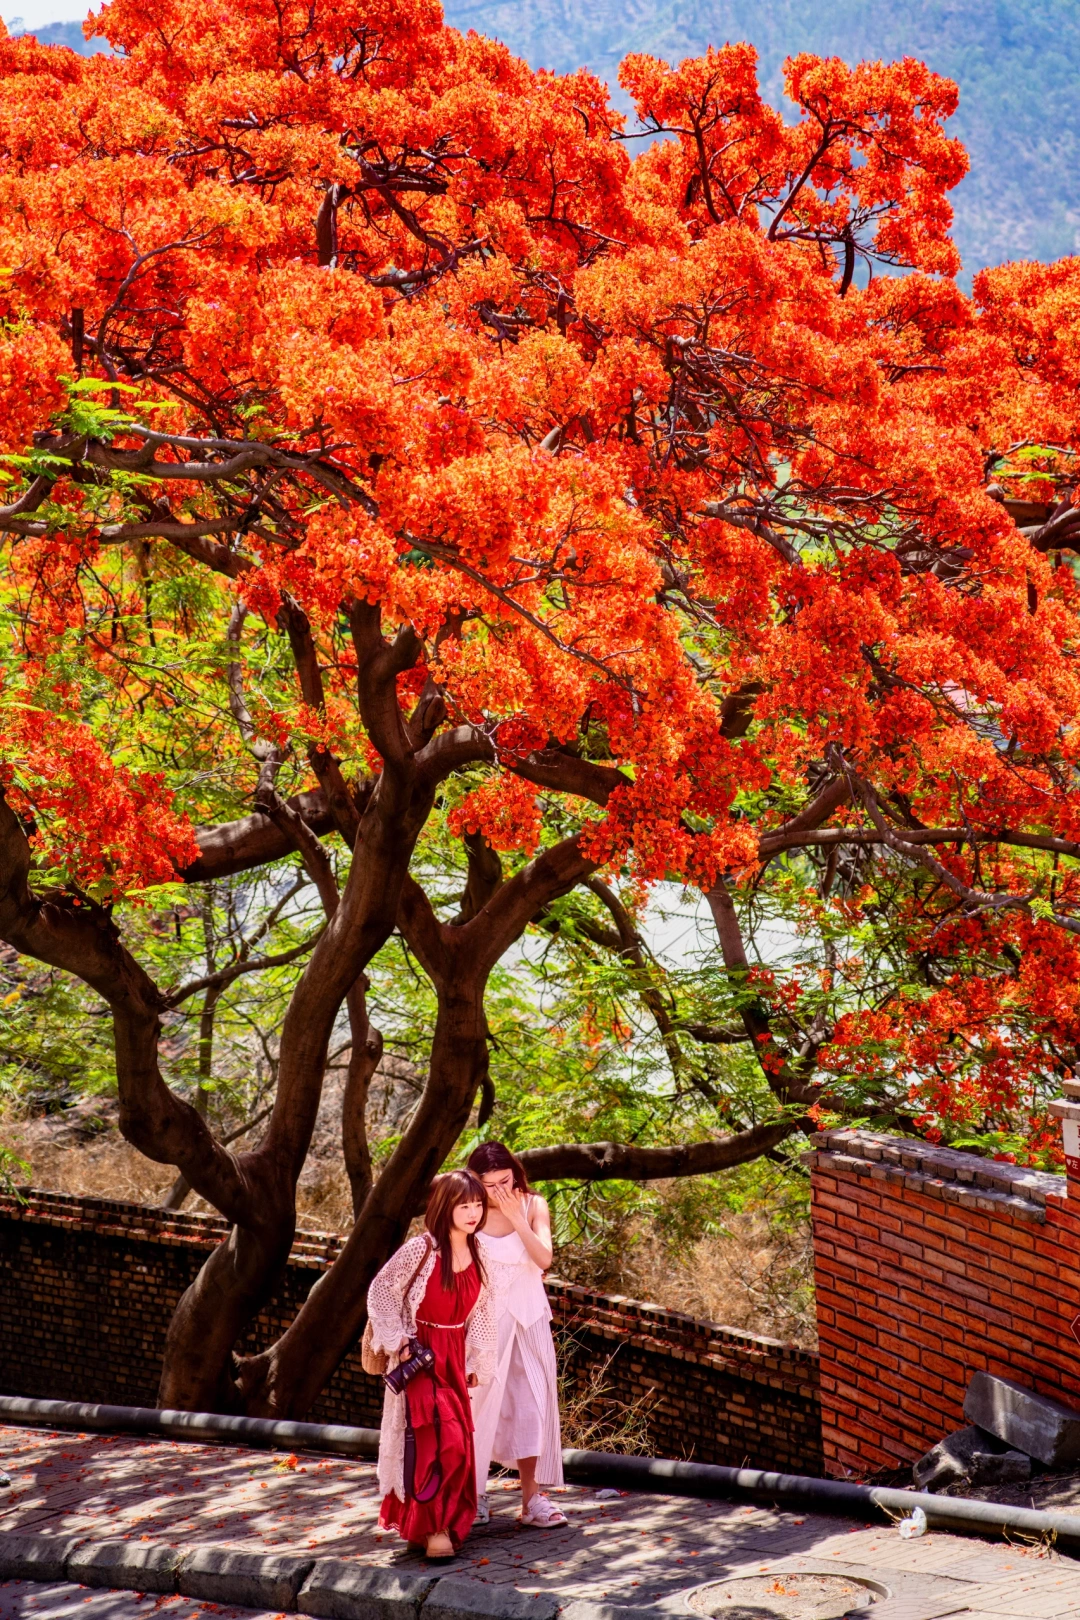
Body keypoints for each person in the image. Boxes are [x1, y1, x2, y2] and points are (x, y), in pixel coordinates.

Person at [367, 1169, 496, 1561]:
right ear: (444, 1206)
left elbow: (485, 1310)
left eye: (478, 1205)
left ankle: (424, 1526)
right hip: (421, 1356)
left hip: (454, 1355)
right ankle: (433, 1526)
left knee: (456, 1442)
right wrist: (398, 1341)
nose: (473, 1213)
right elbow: (381, 1292)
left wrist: (477, 1358)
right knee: (432, 1439)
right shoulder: (421, 1249)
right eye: (464, 1205)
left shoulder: (480, 1251)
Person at [467, 1141, 567, 1528]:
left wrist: (516, 1217)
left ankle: (532, 1500)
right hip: (482, 1323)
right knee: (476, 1407)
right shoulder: (469, 1211)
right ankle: (473, 1494)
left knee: (532, 1405)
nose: (498, 1191)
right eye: (488, 1185)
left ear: (515, 1174)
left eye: (504, 1181)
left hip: (529, 1318)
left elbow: (544, 1258)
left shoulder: (533, 1204)